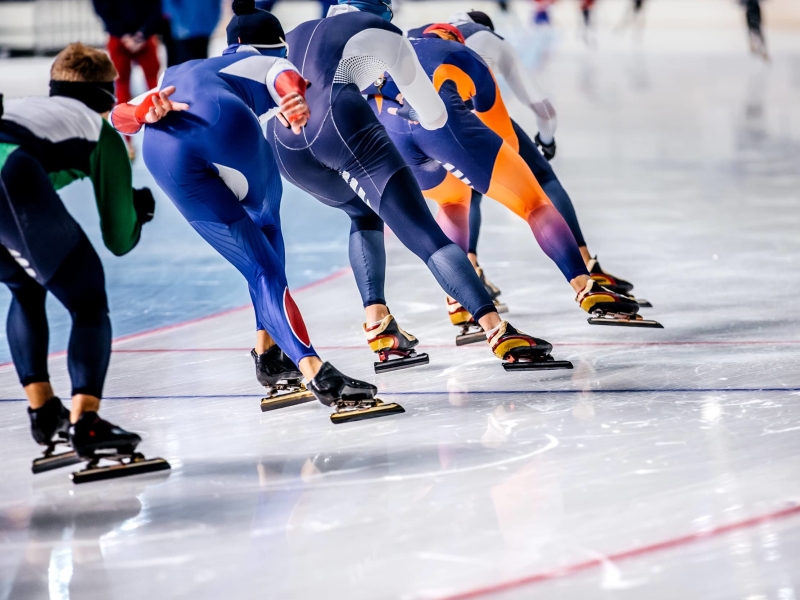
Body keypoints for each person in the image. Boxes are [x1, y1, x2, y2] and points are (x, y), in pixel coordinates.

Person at [110, 1, 404, 421]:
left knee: (254, 262)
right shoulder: (263, 61)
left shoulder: (184, 69)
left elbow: (121, 117)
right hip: (224, 128)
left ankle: (268, 356)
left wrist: (143, 111)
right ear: (276, 45)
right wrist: (293, 99)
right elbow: (280, 76)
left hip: (162, 144)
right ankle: (315, 371)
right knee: (266, 243)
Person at [266, 0, 566, 366]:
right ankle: (497, 331)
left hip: (283, 142)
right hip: (338, 124)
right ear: (385, 10)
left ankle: (380, 327)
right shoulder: (384, 30)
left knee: (363, 215)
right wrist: (410, 110)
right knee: (428, 236)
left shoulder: (296, 32)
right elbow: (434, 116)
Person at [365, 24, 650, 331]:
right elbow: (507, 142)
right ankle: (586, 288)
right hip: (443, 124)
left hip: (389, 135)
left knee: (451, 201)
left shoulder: (394, 50)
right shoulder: (466, 55)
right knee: (533, 201)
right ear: (453, 36)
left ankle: (460, 302)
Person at [0, 43, 171, 480]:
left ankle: (44, 412)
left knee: (24, 285)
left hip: (12, 170)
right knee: (88, 301)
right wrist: (139, 212)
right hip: (11, 176)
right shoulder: (102, 133)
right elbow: (118, 238)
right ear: (109, 95)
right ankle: (86, 424)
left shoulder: (34, 109)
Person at [445, 11, 640, 302]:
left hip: (425, 126)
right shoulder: (490, 39)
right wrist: (546, 141)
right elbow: (544, 109)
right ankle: (586, 265)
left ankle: (463, 286)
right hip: (474, 119)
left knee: (463, 194)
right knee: (543, 176)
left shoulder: (429, 36)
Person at [92, 0, 163, 158]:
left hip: (119, 36)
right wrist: (142, 34)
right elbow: (157, 6)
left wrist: (122, 34)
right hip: (144, 36)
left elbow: (101, 7)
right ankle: (162, 139)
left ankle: (127, 144)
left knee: (122, 85)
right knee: (154, 87)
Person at [162, 0, 222, 66]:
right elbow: (169, 4)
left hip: (205, 29)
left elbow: (216, 4)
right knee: (184, 66)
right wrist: (179, 21)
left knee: (200, 66)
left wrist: (213, 21)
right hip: (183, 32)